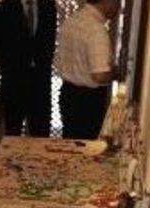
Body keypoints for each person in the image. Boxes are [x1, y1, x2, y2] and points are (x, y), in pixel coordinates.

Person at [55, 0, 120, 139]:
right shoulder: (96, 30)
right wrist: (116, 73)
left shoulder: (71, 21)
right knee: (87, 145)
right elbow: (100, 75)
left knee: (70, 142)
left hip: (68, 93)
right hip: (88, 101)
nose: (117, 6)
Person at [0, 0, 58, 137]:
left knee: (41, 132)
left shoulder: (47, 6)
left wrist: (43, 62)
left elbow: (50, 40)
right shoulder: (4, 8)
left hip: (40, 82)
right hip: (14, 81)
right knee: (13, 130)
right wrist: (10, 65)